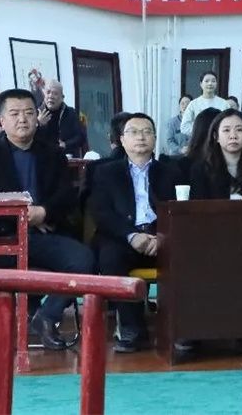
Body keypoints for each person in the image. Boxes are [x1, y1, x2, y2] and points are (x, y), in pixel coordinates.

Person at [0, 88, 95, 350]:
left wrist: (44, 212)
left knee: (84, 260)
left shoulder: (52, 153)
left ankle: (46, 317)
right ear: (1, 121)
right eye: (15, 113)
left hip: (43, 235)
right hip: (2, 236)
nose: (23, 119)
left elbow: (66, 196)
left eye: (29, 113)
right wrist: (24, 218)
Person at [87, 112, 181, 353]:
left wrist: (162, 237)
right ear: (122, 140)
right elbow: (101, 213)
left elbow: (179, 209)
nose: (141, 137)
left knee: (187, 257)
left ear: (155, 139)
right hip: (122, 238)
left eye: (147, 132)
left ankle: (180, 329)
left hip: (161, 238)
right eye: (134, 132)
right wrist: (132, 236)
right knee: (110, 258)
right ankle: (132, 330)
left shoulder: (171, 172)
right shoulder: (105, 172)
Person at [190, 108, 242, 200]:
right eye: (226, 130)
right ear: (216, 136)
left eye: (239, 130)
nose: (233, 136)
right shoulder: (201, 169)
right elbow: (197, 206)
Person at [162, 106, 222, 183]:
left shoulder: (228, 164)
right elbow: (169, 140)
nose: (232, 135)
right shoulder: (180, 168)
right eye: (226, 130)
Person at [36, 79, 84, 156]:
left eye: (55, 93)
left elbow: (80, 137)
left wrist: (65, 144)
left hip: (66, 156)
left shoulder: (70, 113)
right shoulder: (36, 112)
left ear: (62, 97)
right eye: (48, 92)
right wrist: (38, 124)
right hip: (43, 157)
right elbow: (29, 139)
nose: (50, 96)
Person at [180, 71, 228, 136]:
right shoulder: (193, 104)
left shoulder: (224, 103)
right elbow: (184, 127)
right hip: (200, 139)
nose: (210, 83)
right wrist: (200, 131)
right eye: (207, 81)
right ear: (201, 84)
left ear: (216, 84)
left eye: (213, 81)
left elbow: (229, 123)